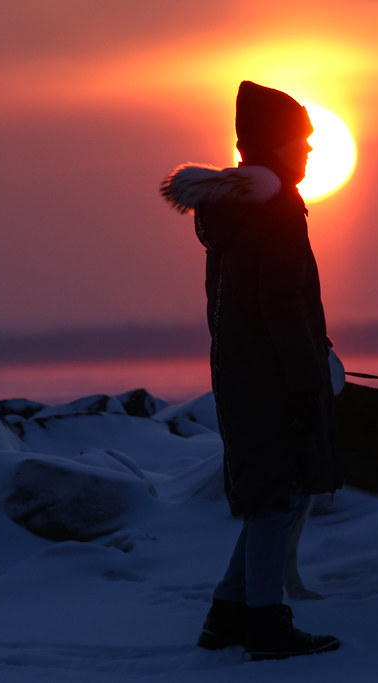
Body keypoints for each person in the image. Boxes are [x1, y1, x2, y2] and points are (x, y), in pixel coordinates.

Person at [160, 81, 341, 661]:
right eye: (300, 139)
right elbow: (282, 307)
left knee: (271, 495)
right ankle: (266, 624)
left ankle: (227, 615)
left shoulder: (234, 212)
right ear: (272, 143)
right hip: (273, 378)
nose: (309, 149)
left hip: (239, 373)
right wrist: (307, 381)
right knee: (276, 502)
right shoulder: (276, 209)